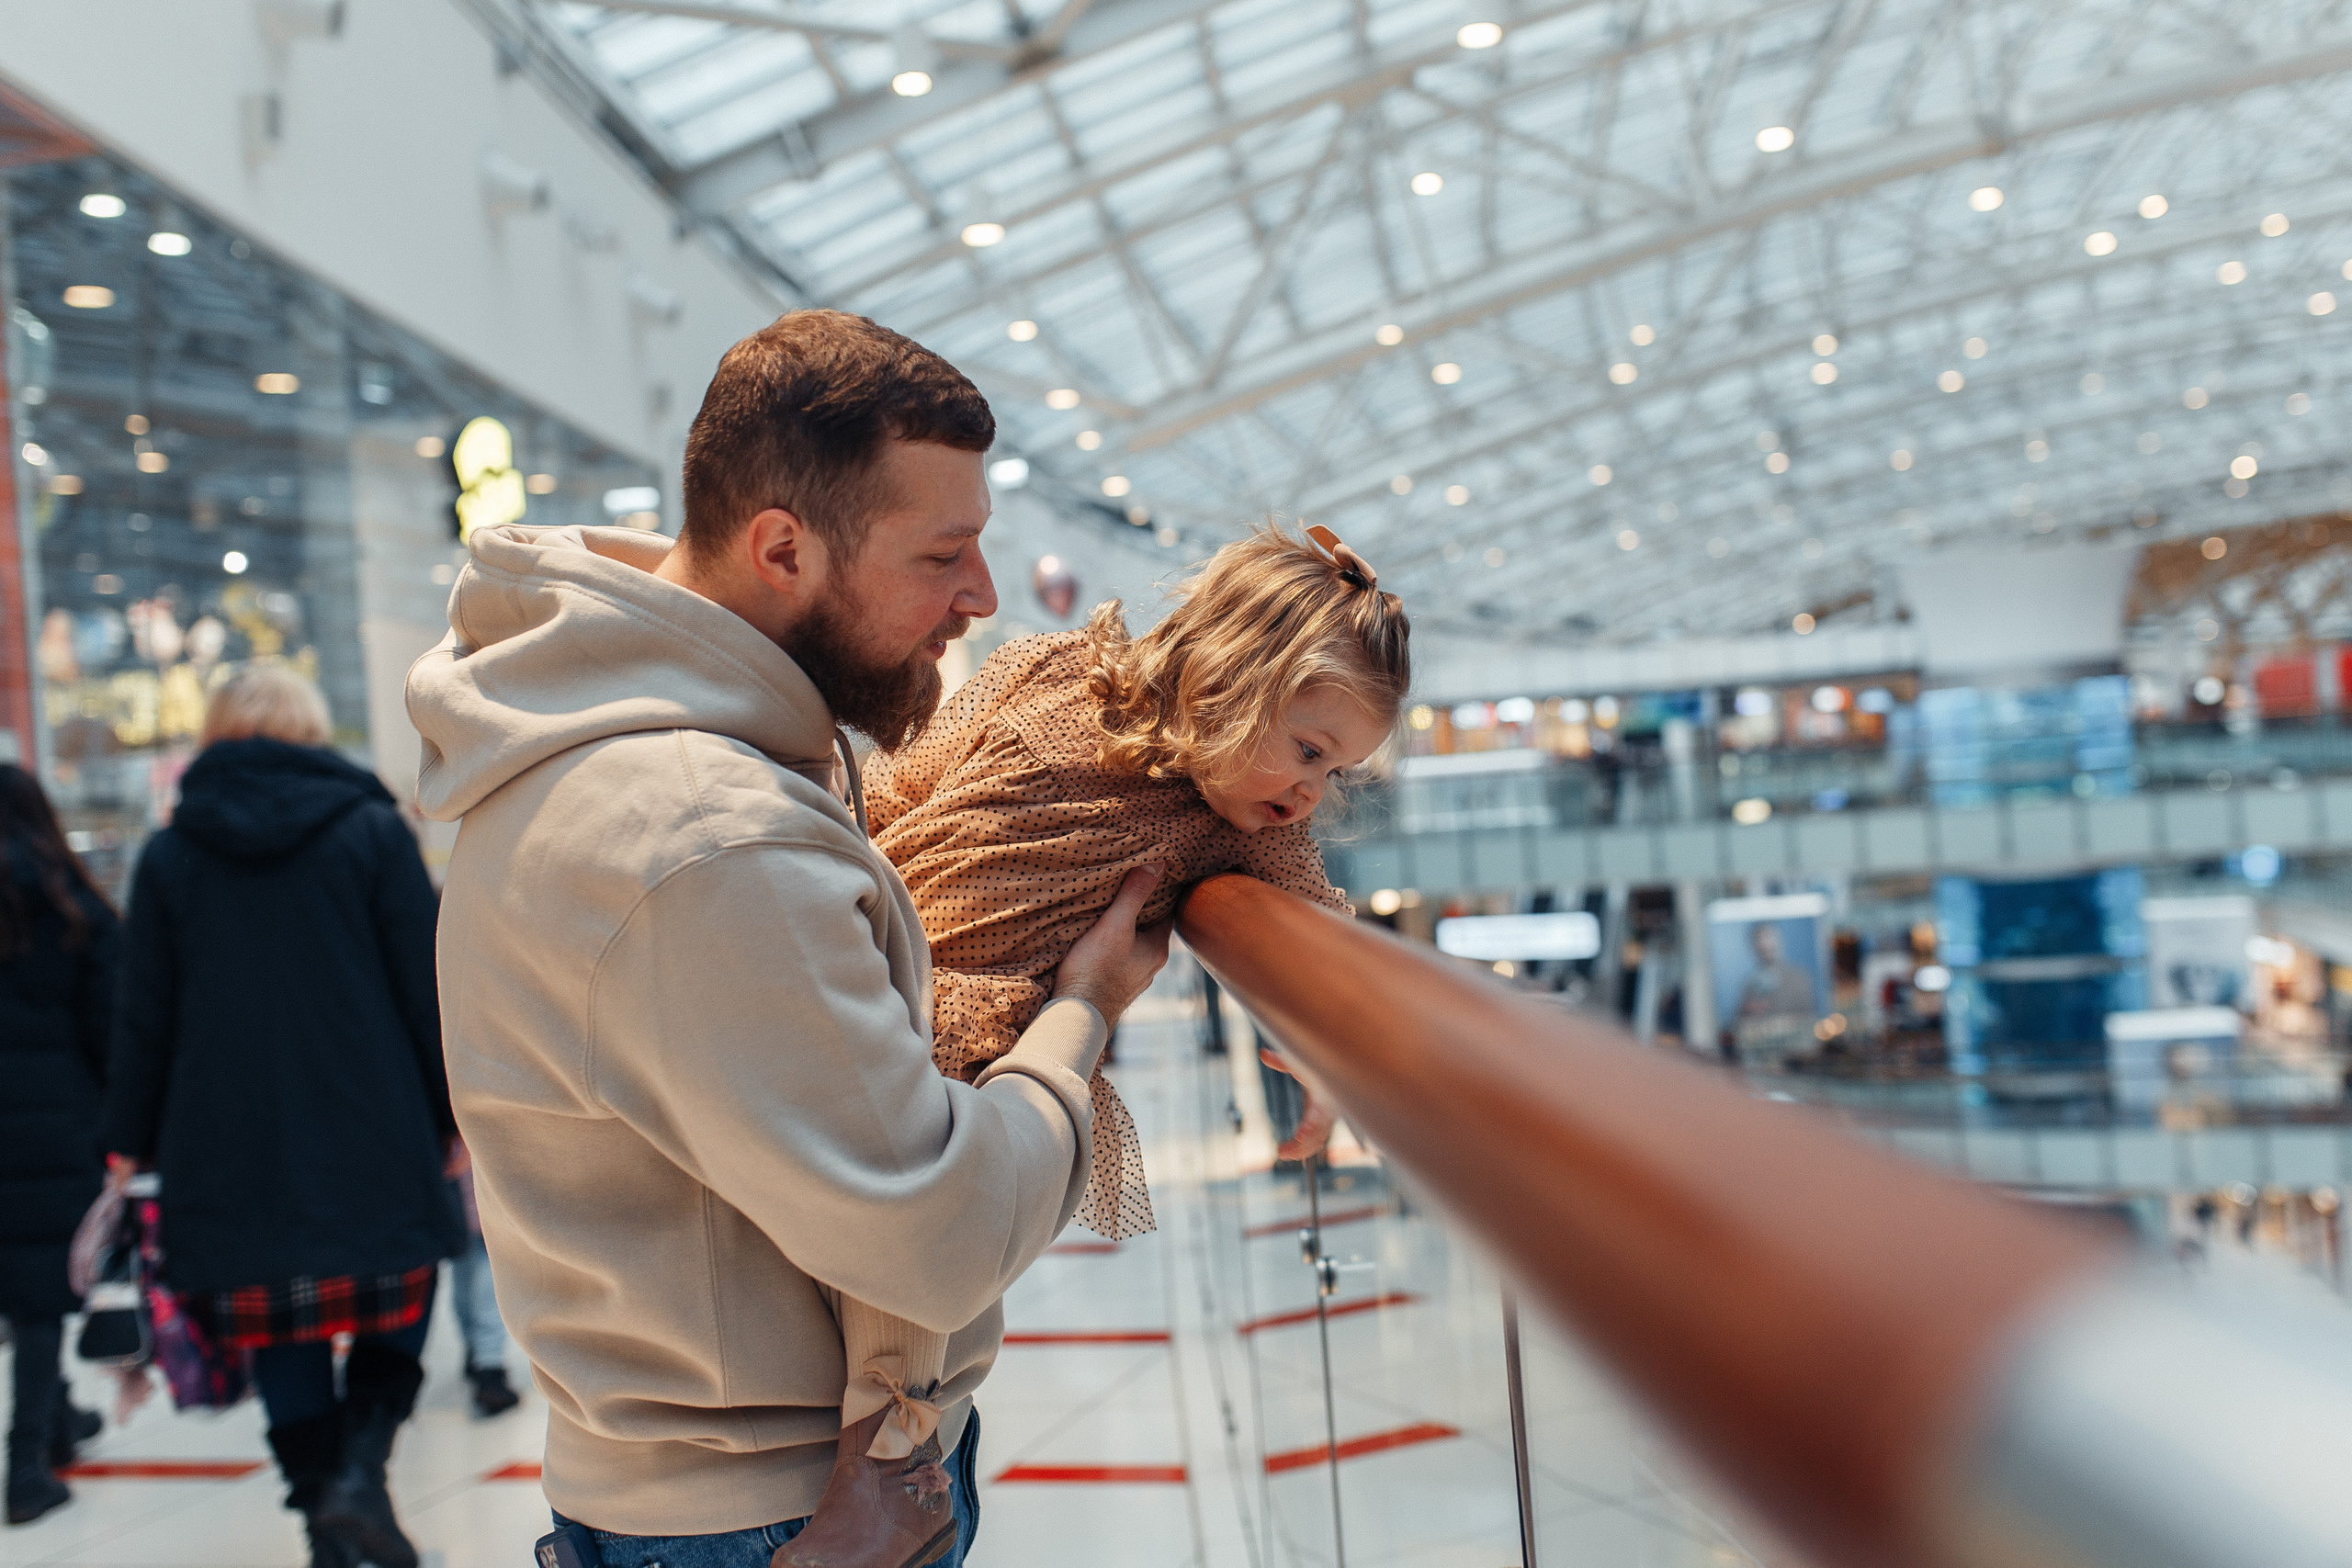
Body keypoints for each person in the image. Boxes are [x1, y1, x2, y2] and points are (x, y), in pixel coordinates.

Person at [406, 309, 1170, 1568]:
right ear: (782, 547)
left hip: (692, 1491)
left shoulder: (608, 745)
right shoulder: (708, 833)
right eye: (944, 554)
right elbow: (946, 1229)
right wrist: (1081, 1006)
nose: (976, 595)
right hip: (776, 1508)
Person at [105, 667, 458, 1568]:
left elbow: (143, 1017)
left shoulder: (172, 853)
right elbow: (429, 990)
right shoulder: (373, 832)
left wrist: (126, 1143)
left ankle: (328, 1528)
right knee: (401, 1286)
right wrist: (457, 1114)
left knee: (278, 1326)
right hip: (373, 1119)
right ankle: (360, 1478)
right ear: (311, 732)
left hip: (223, 1139)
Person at [0, 765, 117, 1526]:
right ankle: (26, 1464)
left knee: (24, 1279)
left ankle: (63, 1416)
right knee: (44, 1292)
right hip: (55, 1120)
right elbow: (111, 1026)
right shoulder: (72, 906)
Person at [443, 1138, 519, 1417]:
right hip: (477, 1166)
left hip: (450, 1177)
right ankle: (489, 1366)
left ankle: (475, 1352)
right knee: (487, 1274)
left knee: (465, 1272)